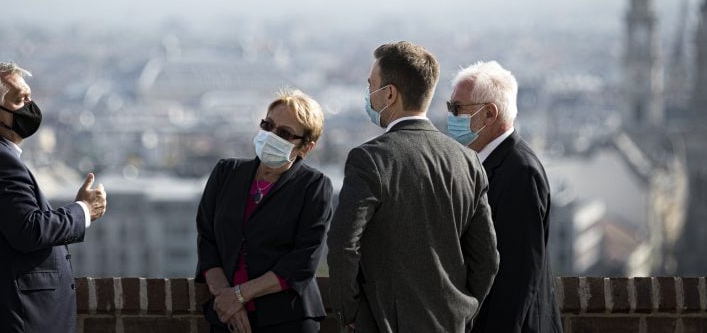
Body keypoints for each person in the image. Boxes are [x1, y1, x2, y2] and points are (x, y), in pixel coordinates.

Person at [327, 41, 499, 333]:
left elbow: (343, 244)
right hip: (450, 323)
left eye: (371, 86)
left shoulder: (370, 159)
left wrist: (352, 313)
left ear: (390, 94)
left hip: (384, 322)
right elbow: (487, 260)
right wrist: (463, 310)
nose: (368, 95)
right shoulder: (468, 161)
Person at [0, 62, 107, 333]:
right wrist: (84, 210)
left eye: (30, 97)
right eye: (20, 99)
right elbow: (30, 230)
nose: (30, 106)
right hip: (7, 320)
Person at [195, 88, 333, 333]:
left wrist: (239, 295)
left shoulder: (313, 186)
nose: (271, 135)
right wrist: (227, 299)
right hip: (225, 316)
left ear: (305, 147)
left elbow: (303, 260)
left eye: (284, 133)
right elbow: (207, 239)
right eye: (268, 125)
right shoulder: (226, 172)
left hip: (287, 319)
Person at [447, 61, 563, 333]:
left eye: (457, 108)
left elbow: (517, 275)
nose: (451, 116)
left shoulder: (520, 172)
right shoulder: (491, 163)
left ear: (489, 113)